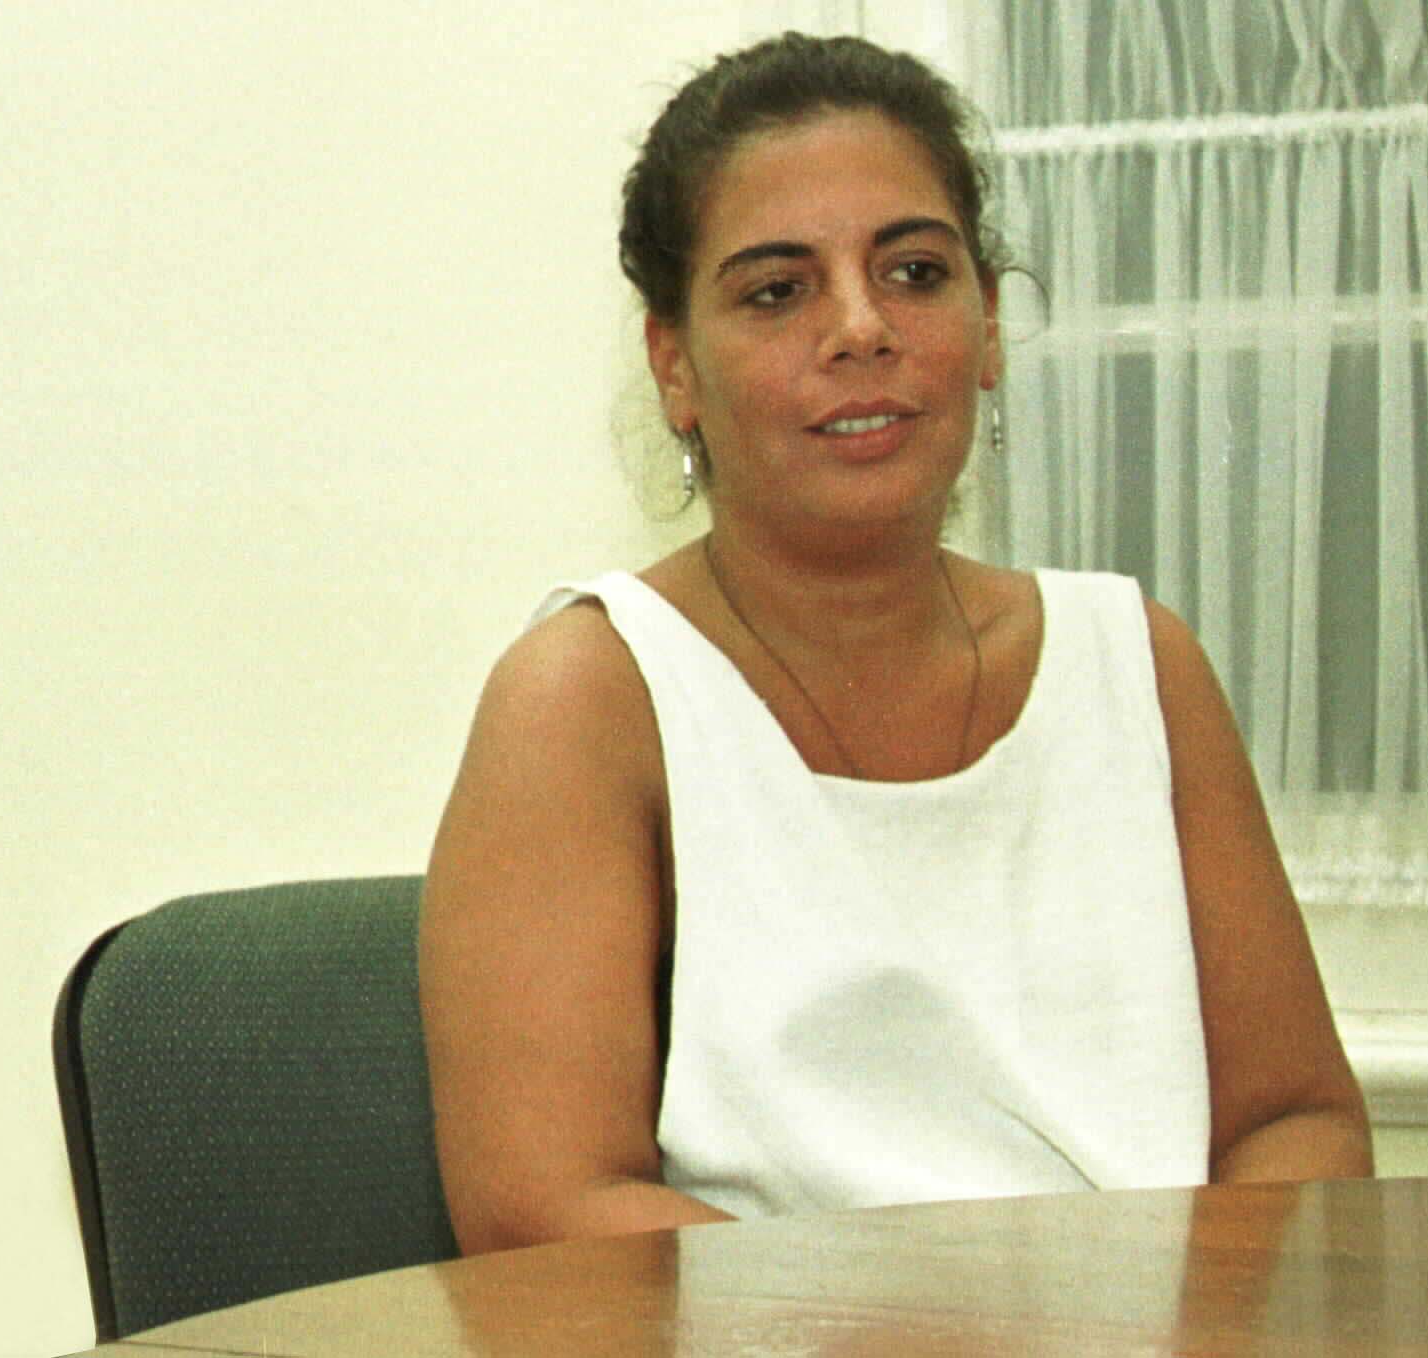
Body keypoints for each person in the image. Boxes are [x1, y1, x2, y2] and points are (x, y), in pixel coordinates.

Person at [419, 31, 1372, 1255]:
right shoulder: (592, 694)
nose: (862, 327)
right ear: (675, 367)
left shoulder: (1140, 663)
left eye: (915, 272)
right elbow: (547, 1208)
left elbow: (1297, 1122)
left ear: (989, 326)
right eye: (778, 291)